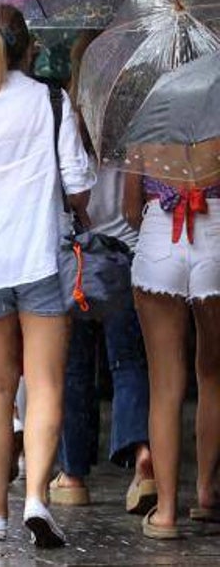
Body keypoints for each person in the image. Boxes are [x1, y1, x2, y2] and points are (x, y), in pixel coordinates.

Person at [0, 5, 94, 548]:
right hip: (40, 256)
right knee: (47, 382)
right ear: (29, 48)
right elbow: (78, 184)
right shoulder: (52, 101)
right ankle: (36, 496)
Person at [49, 33, 154, 515]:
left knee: (73, 370)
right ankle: (143, 459)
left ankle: (71, 476)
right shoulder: (138, 117)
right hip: (128, 259)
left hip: (76, 261)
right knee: (129, 363)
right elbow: (137, 207)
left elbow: (69, 193)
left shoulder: (62, 118)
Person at [123, 130, 220, 539]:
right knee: (213, 373)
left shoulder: (146, 122)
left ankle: (165, 512)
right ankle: (207, 492)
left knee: (164, 385)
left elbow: (129, 210)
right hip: (216, 234)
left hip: (160, 236)